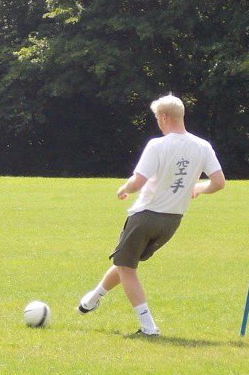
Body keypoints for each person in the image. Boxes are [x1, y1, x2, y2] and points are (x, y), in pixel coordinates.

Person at [78, 95, 225, 335]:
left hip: (145, 216)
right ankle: (91, 300)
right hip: (172, 222)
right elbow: (219, 182)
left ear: (165, 117)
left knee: (127, 268)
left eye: (157, 117)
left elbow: (138, 182)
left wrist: (124, 188)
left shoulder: (157, 145)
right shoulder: (202, 146)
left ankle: (148, 327)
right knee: (125, 261)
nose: (157, 122)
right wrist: (198, 188)